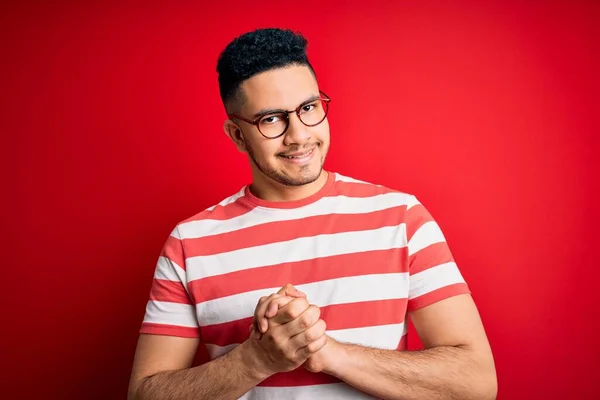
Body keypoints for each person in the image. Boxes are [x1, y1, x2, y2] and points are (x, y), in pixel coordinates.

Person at [128, 28, 497, 400]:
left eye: (308, 108)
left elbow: (475, 382)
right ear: (237, 135)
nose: (299, 135)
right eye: (271, 119)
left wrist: (326, 352)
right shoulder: (190, 243)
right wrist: (254, 361)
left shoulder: (401, 218)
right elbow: (143, 394)